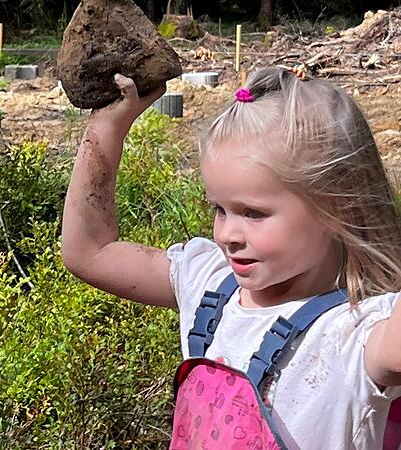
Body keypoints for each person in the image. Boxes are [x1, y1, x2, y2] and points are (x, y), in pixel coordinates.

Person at [61, 67, 401, 449]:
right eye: (220, 209)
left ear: (338, 206)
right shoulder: (210, 283)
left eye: (253, 213)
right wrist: (106, 129)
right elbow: (90, 252)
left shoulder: (357, 334)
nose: (226, 235)